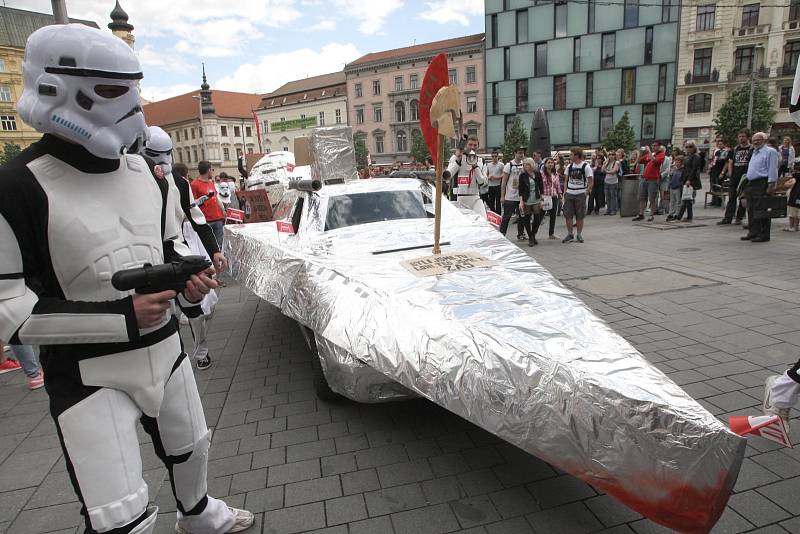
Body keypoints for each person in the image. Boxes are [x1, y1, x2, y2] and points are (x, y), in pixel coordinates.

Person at [0, 24, 253, 534]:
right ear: (55, 88)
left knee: (192, 446)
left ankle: (198, 514)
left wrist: (190, 282)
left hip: (165, 350)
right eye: (116, 91)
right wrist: (121, 318)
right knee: (120, 514)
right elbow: (8, 307)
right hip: (88, 371)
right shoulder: (16, 186)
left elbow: (162, 254)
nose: (134, 106)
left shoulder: (147, 176)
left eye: (135, 88)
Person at [741, 132, 780, 243]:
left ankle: (764, 234)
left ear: (764, 140)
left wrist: (771, 184)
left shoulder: (770, 152)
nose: (755, 142)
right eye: (754, 140)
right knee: (751, 209)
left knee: (762, 209)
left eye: (758, 140)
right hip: (751, 183)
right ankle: (753, 232)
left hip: (762, 183)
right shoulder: (754, 151)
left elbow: (773, 169)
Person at [447, 134, 487, 217]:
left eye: (475, 145)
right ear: (466, 145)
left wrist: (475, 166)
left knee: (483, 220)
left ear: (478, 146)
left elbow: (482, 182)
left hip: (475, 197)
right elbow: (448, 175)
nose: (472, 147)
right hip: (458, 198)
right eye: (470, 144)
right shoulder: (456, 157)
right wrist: (458, 160)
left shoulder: (481, 161)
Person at [191, 161, 227, 251]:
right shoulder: (194, 184)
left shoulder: (211, 183)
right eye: (212, 169)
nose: (213, 171)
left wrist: (223, 210)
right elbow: (193, 203)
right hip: (206, 220)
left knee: (219, 244)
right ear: (208, 170)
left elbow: (216, 197)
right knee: (208, 245)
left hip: (218, 217)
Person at [719, 129, 752, 225]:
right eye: (740, 136)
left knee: (743, 198)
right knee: (732, 197)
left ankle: (739, 217)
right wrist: (729, 173)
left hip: (746, 177)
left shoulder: (751, 149)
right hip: (735, 177)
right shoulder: (735, 149)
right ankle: (728, 218)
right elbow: (730, 161)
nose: (741, 138)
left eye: (743, 136)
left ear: (747, 137)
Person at [562, 147, 593, 243]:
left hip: (580, 193)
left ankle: (579, 234)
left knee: (580, 215)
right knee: (568, 215)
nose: (570, 156)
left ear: (576, 155)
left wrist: (585, 193)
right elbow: (566, 181)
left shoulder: (586, 167)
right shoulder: (569, 167)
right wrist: (565, 193)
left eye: (571, 154)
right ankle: (570, 234)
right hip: (570, 193)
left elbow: (590, 182)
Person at [633, 144, 665, 221]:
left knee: (652, 198)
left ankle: (652, 215)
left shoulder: (661, 155)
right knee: (641, 197)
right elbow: (638, 161)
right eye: (652, 146)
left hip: (653, 179)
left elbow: (655, 161)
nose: (653, 147)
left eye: (655, 146)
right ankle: (641, 214)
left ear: (659, 147)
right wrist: (640, 153)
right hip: (644, 178)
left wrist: (649, 151)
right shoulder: (649, 155)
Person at [499, 147, 525, 239]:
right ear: (515, 153)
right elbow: (504, 182)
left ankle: (521, 234)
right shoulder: (509, 165)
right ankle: (502, 233)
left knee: (522, 216)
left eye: (522, 153)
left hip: (521, 196)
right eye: (519, 153)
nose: (521, 155)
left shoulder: (524, 164)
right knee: (507, 216)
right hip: (510, 196)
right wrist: (502, 196)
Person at [518, 157, 544, 246]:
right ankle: (530, 237)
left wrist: (542, 199)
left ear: (532, 164)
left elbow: (541, 186)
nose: (526, 166)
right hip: (526, 199)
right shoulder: (522, 175)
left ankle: (533, 235)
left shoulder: (537, 173)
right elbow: (520, 189)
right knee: (527, 218)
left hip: (536, 199)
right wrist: (521, 201)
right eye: (525, 165)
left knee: (537, 218)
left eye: (528, 164)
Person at [540, 157, 562, 239]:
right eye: (548, 162)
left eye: (552, 163)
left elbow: (558, 185)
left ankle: (551, 233)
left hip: (554, 196)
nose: (550, 164)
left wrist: (560, 195)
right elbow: (539, 185)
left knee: (553, 216)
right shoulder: (541, 173)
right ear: (545, 164)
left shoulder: (555, 174)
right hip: (545, 196)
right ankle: (533, 233)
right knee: (540, 215)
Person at [708, 138, 730, 207]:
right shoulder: (717, 151)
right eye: (718, 144)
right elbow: (713, 160)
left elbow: (726, 163)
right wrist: (710, 168)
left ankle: (719, 202)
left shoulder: (726, 152)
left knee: (719, 186)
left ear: (724, 145)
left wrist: (722, 173)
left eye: (721, 144)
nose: (719, 145)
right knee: (714, 186)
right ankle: (714, 201)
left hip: (720, 171)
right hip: (714, 171)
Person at [484, 150, 504, 214]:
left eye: (495, 156)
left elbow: (504, 174)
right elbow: (486, 174)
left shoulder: (501, 164)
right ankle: (493, 214)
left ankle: (498, 216)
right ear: (491, 157)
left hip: (498, 185)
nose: (494, 158)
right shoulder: (488, 165)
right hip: (490, 185)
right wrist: (488, 177)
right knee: (491, 202)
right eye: (493, 156)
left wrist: (496, 177)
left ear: (498, 157)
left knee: (498, 202)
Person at [666, 156, 685, 222]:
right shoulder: (674, 169)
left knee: (678, 201)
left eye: (678, 162)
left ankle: (677, 213)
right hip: (672, 187)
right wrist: (669, 186)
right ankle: (671, 213)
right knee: (672, 201)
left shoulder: (683, 170)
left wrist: (681, 185)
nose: (677, 163)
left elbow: (682, 179)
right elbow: (670, 178)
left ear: (682, 163)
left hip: (678, 188)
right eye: (676, 162)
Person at [603, 151, 620, 216]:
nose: (611, 156)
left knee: (613, 197)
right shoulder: (607, 163)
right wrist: (604, 163)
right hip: (606, 181)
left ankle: (614, 210)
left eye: (612, 155)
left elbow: (614, 171)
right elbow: (602, 170)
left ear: (614, 156)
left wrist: (606, 171)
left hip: (613, 182)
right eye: (609, 155)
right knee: (607, 197)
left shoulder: (617, 162)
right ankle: (608, 210)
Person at [657, 147, 672, 215]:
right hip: (656, 177)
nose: (661, 152)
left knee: (665, 194)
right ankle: (657, 208)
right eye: (660, 151)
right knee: (656, 194)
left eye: (662, 151)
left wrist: (661, 175)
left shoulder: (668, 159)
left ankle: (664, 208)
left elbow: (667, 170)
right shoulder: (656, 157)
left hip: (665, 178)